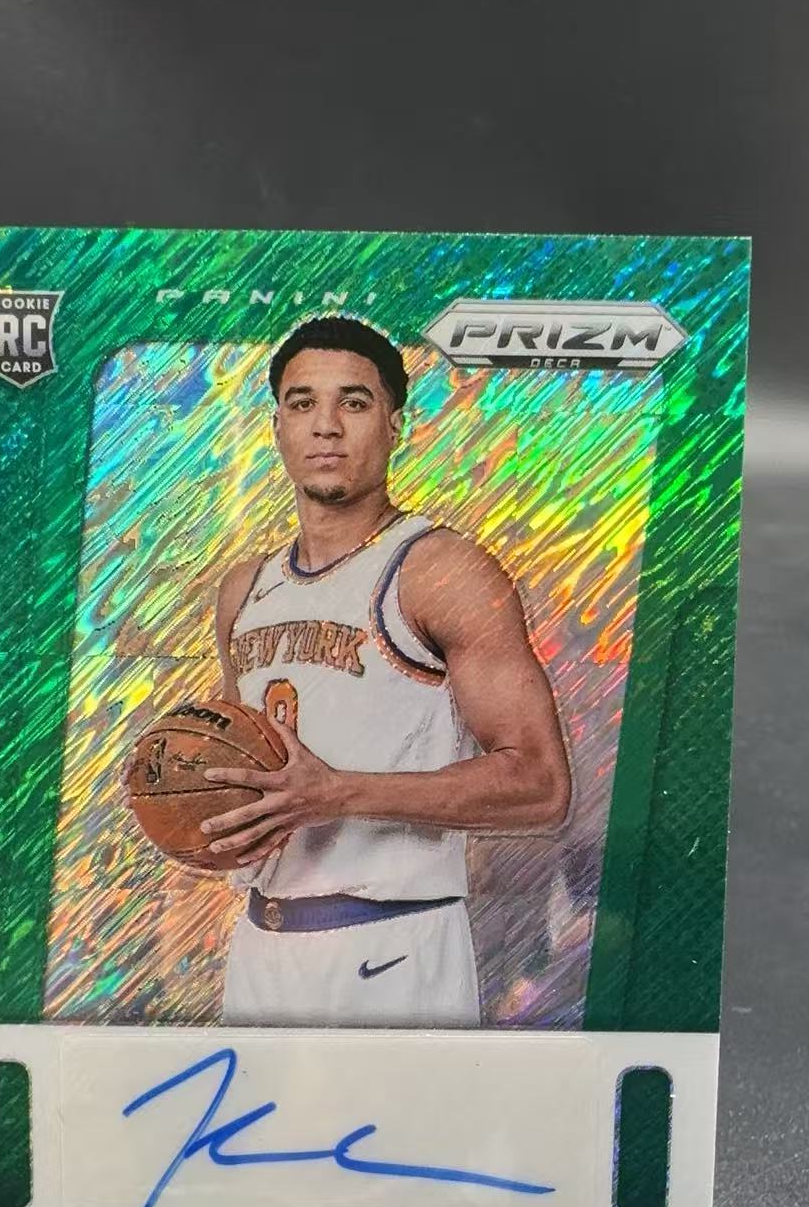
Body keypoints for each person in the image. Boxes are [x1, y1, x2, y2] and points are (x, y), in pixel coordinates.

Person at [204, 315, 570, 1028]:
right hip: (259, 945)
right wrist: (195, 810)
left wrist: (338, 793)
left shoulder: (440, 571)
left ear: (395, 424)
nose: (326, 426)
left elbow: (540, 786)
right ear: (277, 427)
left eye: (355, 401)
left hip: (393, 944)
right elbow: (243, 773)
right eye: (303, 403)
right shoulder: (242, 590)